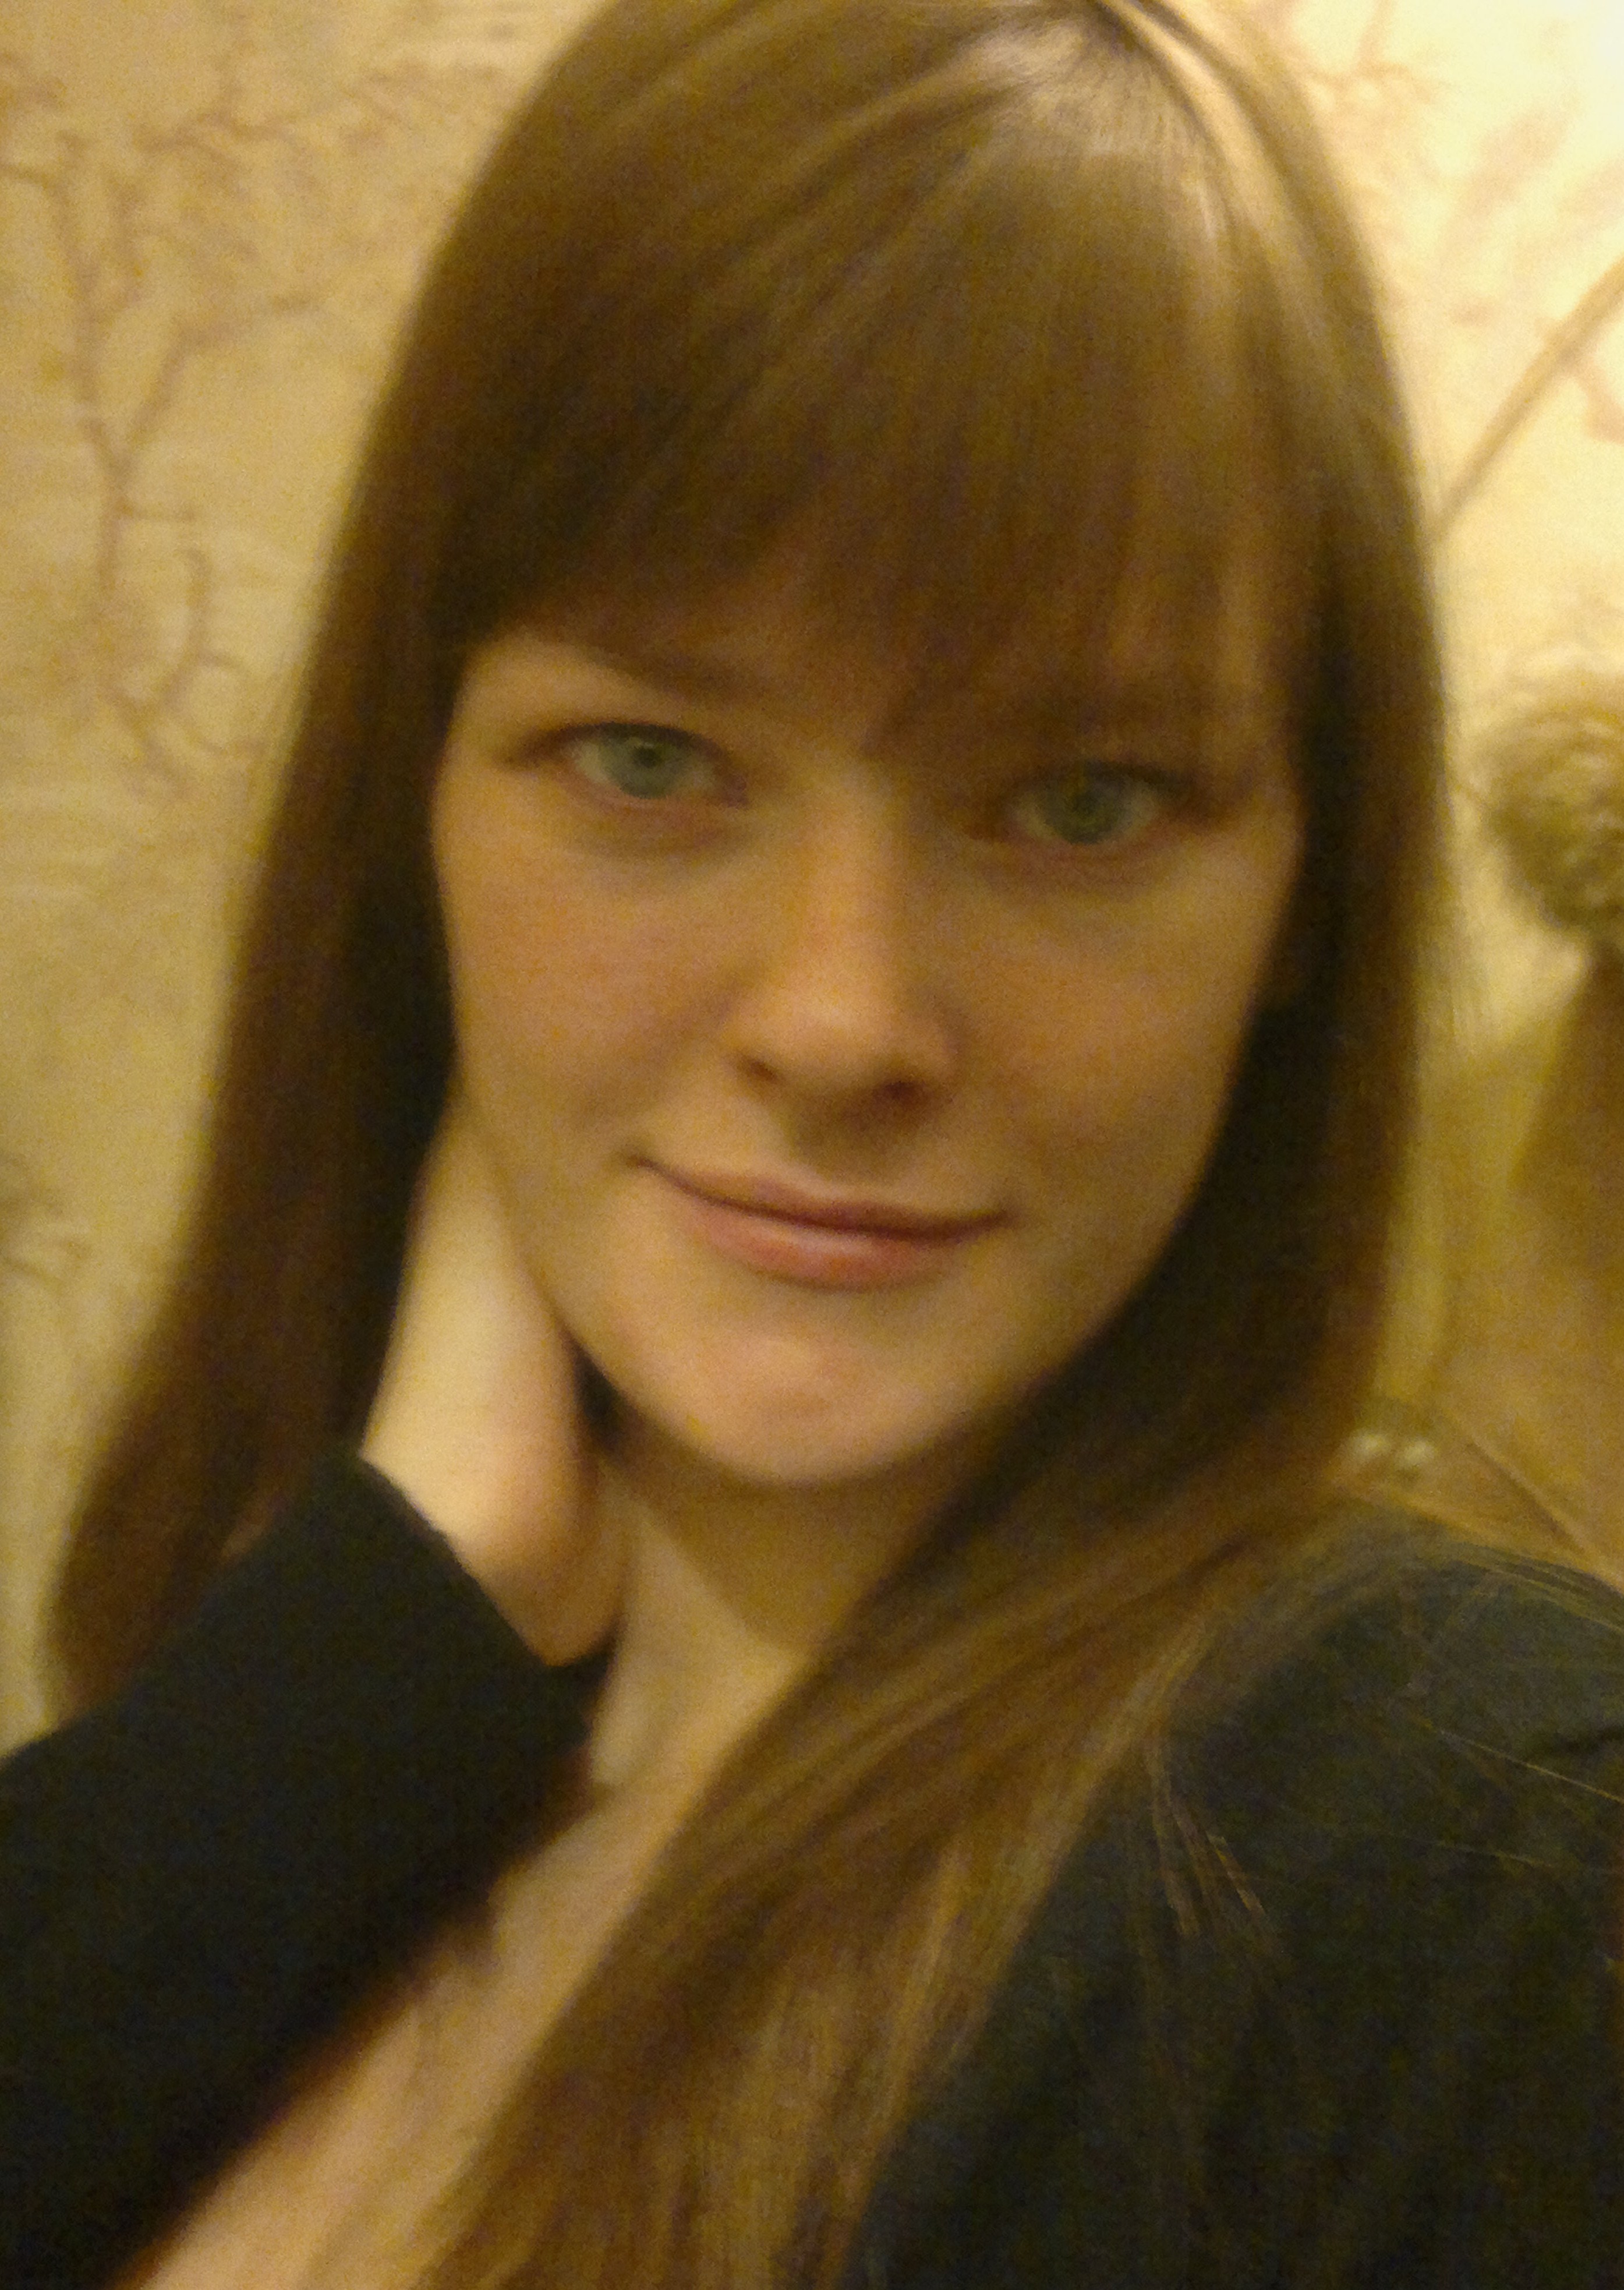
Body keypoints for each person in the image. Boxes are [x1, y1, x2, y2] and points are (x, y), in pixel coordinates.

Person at [3, 0, 1622, 2284]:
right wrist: (395, 1593)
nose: (841, 1017)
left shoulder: (1493, 1879)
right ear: (415, 806)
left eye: (1081, 801)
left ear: (1301, 904)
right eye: (651, 762)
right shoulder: (294, 1686)